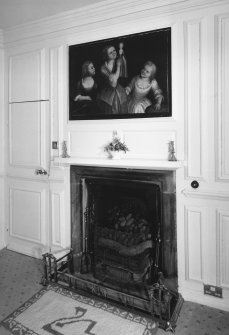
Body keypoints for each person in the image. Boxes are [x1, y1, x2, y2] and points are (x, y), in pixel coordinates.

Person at [97, 45, 128, 115]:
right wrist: (118, 66)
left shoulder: (119, 60)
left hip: (119, 90)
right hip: (107, 92)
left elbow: (124, 77)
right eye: (111, 52)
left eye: (114, 50)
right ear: (106, 56)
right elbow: (113, 83)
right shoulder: (103, 68)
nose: (114, 53)